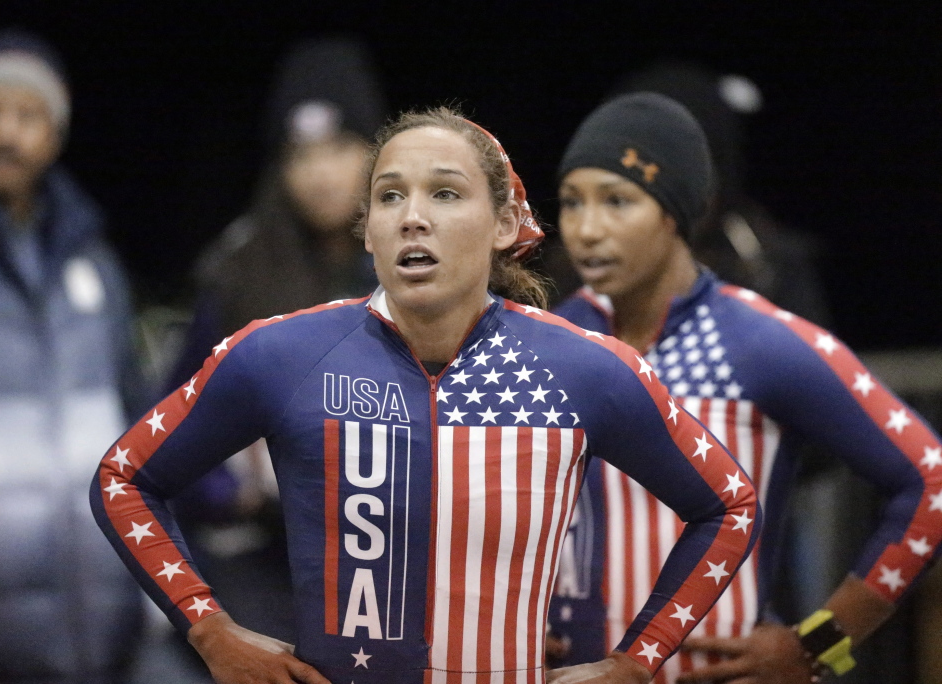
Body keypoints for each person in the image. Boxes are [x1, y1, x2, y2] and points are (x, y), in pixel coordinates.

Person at [93, 106, 760, 684]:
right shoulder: (278, 354)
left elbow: (728, 504)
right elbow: (123, 478)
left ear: (503, 224)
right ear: (367, 230)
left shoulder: (585, 369)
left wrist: (637, 661)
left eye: (444, 193)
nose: (412, 217)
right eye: (388, 196)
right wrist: (209, 631)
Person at [546, 93, 942, 683]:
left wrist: (817, 646)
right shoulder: (555, 339)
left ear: (677, 212)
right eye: (572, 203)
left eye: (618, 201)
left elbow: (930, 479)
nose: (587, 229)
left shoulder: (756, 343)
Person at [163, 37, 386, 647]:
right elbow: (171, 432)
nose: (320, 172)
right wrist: (229, 489)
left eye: (339, 148)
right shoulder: (237, 271)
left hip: (387, 554)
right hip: (263, 560)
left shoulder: (412, 262)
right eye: (300, 154)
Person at [0, 29, 147, 682]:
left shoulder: (95, 265)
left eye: (28, 116)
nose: (8, 133)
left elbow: (141, 429)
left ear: (54, 137)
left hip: (107, 613)